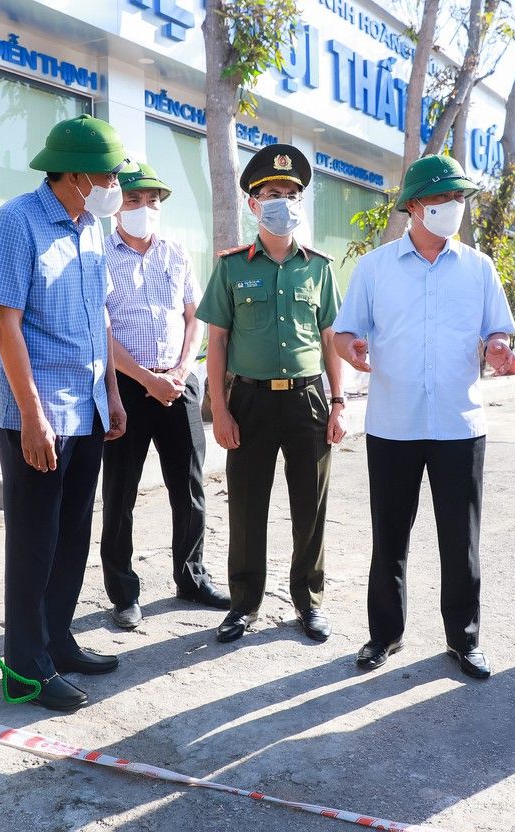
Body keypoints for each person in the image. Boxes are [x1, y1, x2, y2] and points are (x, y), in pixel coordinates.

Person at [333, 154, 515, 680]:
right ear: (413, 206)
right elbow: (345, 331)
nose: (450, 209)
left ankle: (465, 639)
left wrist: (499, 348)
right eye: (439, 200)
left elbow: (496, 330)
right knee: (390, 535)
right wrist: (352, 350)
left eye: (457, 199)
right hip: (394, 423)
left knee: (460, 539)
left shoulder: (479, 268)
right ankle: (383, 636)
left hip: (460, 425)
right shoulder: (374, 268)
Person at [0, 115, 130, 711]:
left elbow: (101, 317)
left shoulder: (93, 226)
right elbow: (5, 323)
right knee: (35, 541)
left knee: (73, 534)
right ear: (73, 172)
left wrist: (113, 394)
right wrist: (32, 416)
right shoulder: (17, 221)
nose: (115, 183)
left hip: (88, 406)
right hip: (37, 412)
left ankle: (57, 641)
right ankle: (25, 668)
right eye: (107, 173)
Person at [195, 143, 345, 644]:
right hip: (251, 402)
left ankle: (309, 601)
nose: (284, 201)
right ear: (253, 204)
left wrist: (339, 402)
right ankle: (244, 604)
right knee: (247, 504)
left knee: (311, 506)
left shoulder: (318, 267)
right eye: (273, 193)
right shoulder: (233, 267)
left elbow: (330, 341)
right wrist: (218, 409)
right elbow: (216, 342)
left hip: (307, 401)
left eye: (291, 193)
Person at [100, 162, 230, 630]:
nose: (145, 209)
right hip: (126, 387)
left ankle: (192, 578)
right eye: (134, 200)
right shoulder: (99, 254)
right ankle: (123, 593)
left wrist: (179, 369)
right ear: (116, 206)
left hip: (178, 384)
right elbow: (102, 330)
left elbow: (195, 317)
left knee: (189, 487)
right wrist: (144, 378)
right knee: (120, 494)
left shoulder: (175, 252)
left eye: (153, 201)